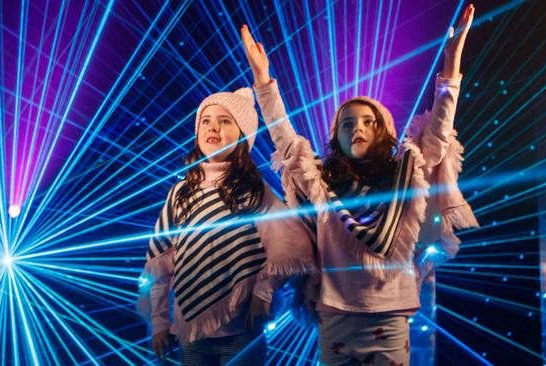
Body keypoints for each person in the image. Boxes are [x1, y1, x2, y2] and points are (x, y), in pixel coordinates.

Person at [240, 4, 479, 364]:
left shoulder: (405, 174)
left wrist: (452, 56)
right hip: (336, 313)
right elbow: (287, 143)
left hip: (391, 312)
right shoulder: (320, 180)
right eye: (348, 124)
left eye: (368, 122)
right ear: (337, 135)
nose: (359, 129)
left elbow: (440, 131)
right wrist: (263, 81)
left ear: (382, 130)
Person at [139, 86, 315, 365]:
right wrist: (160, 323)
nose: (213, 128)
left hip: (241, 328)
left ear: (243, 135)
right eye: (206, 121)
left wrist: (263, 292)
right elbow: (159, 263)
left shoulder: (254, 189)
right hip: (191, 332)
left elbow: (291, 245)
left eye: (225, 121)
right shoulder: (180, 192)